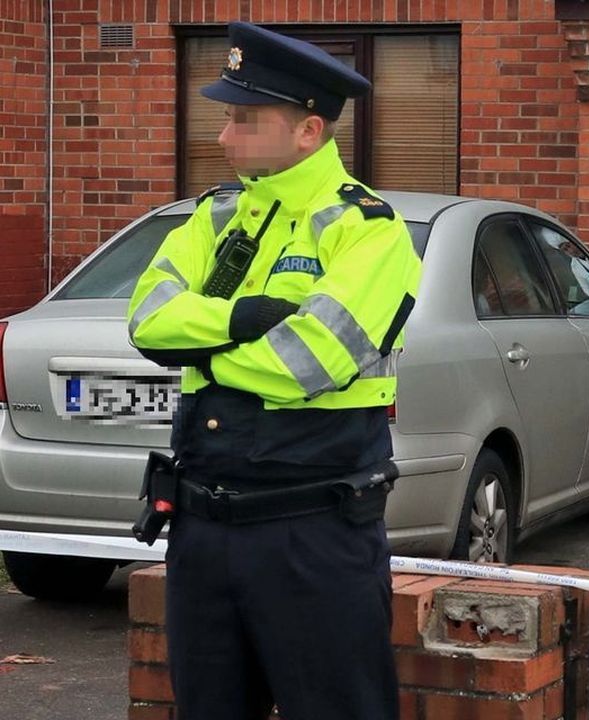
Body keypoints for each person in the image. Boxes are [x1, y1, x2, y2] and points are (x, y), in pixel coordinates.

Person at [126, 21, 421, 720]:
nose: (223, 136)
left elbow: (307, 362)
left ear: (308, 132)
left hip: (312, 536)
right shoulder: (212, 218)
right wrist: (241, 319)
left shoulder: (369, 231)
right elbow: (146, 322)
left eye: (242, 119)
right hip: (201, 531)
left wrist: (201, 346)